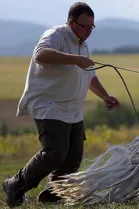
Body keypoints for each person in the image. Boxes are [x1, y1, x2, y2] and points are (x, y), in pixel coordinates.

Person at [2, 2, 120, 207]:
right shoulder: (56, 35)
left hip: (73, 108)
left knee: (74, 156)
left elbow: (89, 76)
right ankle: (16, 184)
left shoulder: (82, 42)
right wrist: (75, 59)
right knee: (55, 152)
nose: (87, 31)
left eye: (91, 27)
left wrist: (105, 96)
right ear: (70, 22)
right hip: (49, 104)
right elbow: (40, 55)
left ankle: (53, 194)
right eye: (84, 26)